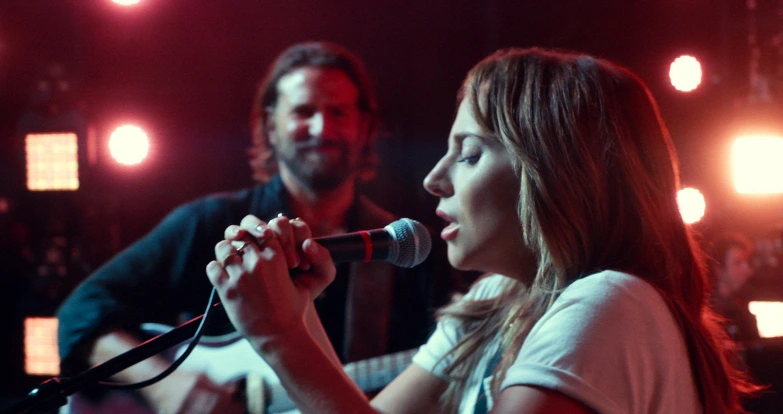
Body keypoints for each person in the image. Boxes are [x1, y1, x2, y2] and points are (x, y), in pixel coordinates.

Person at [207, 47, 762, 413]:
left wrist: (279, 337)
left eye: (469, 154)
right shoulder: (497, 300)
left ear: (555, 173)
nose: (433, 179)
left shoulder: (608, 303)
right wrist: (296, 314)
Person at [56, 41, 454, 413]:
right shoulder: (208, 223)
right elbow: (81, 312)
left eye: (338, 113)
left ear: (365, 127)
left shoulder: (404, 249)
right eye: (303, 112)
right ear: (270, 126)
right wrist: (165, 386)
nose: (322, 128)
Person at [709, 232, 760, 343]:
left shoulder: (742, 305)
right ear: (718, 269)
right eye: (737, 263)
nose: (747, 270)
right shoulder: (706, 311)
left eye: (746, 262)